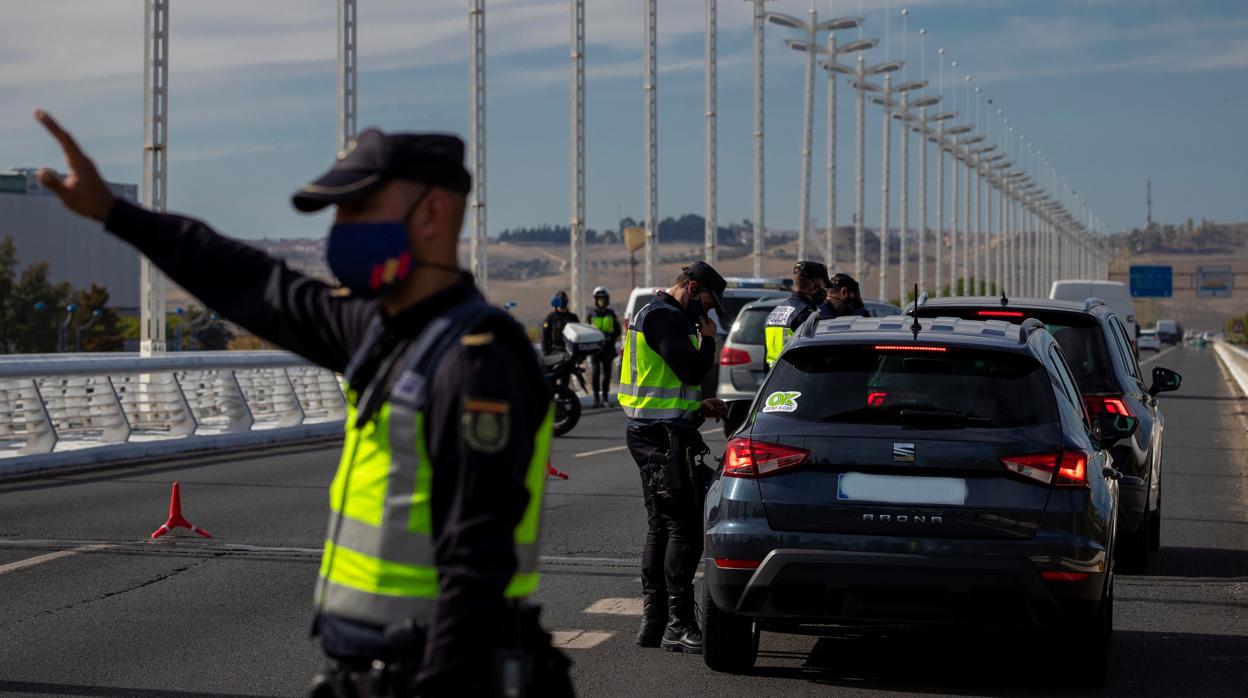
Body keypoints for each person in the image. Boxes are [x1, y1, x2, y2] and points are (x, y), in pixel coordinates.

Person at [32, 111, 571, 698]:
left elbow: (476, 567)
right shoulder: (384, 330)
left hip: (437, 675)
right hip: (375, 668)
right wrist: (115, 212)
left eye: (360, 208)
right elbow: (250, 280)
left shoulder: (475, 360)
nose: (341, 228)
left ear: (434, 213)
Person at [618, 262, 727, 654]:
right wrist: (710, 342)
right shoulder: (665, 318)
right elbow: (692, 371)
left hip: (658, 430)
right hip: (659, 437)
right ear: (692, 288)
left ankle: (655, 623)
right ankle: (678, 624)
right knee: (682, 526)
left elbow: (671, 386)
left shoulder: (658, 314)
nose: (709, 313)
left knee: (662, 526)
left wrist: (700, 409)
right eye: (709, 303)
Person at [763, 260, 829, 370]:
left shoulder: (774, 313)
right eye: (823, 286)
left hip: (773, 381)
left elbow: (766, 358)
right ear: (814, 287)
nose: (824, 291)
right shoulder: (807, 316)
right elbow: (813, 359)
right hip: (796, 381)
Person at [588, 286, 621, 408]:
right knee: (595, 373)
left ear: (606, 300)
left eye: (603, 299)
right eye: (599, 299)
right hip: (595, 349)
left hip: (608, 348)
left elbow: (617, 330)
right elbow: (587, 330)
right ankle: (596, 398)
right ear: (595, 300)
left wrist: (610, 337)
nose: (601, 301)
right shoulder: (591, 314)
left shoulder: (611, 314)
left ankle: (605, 398)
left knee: (607, 374)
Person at [541, 291, 580, 356]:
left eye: (563, 300)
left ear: (566, 301)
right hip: (554, 352)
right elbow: (544, 335)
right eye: (560, 300)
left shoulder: (573, 318)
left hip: (570, 353)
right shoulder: (550, 318)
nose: (562, 302)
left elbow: (579, 335)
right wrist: (545, 351)